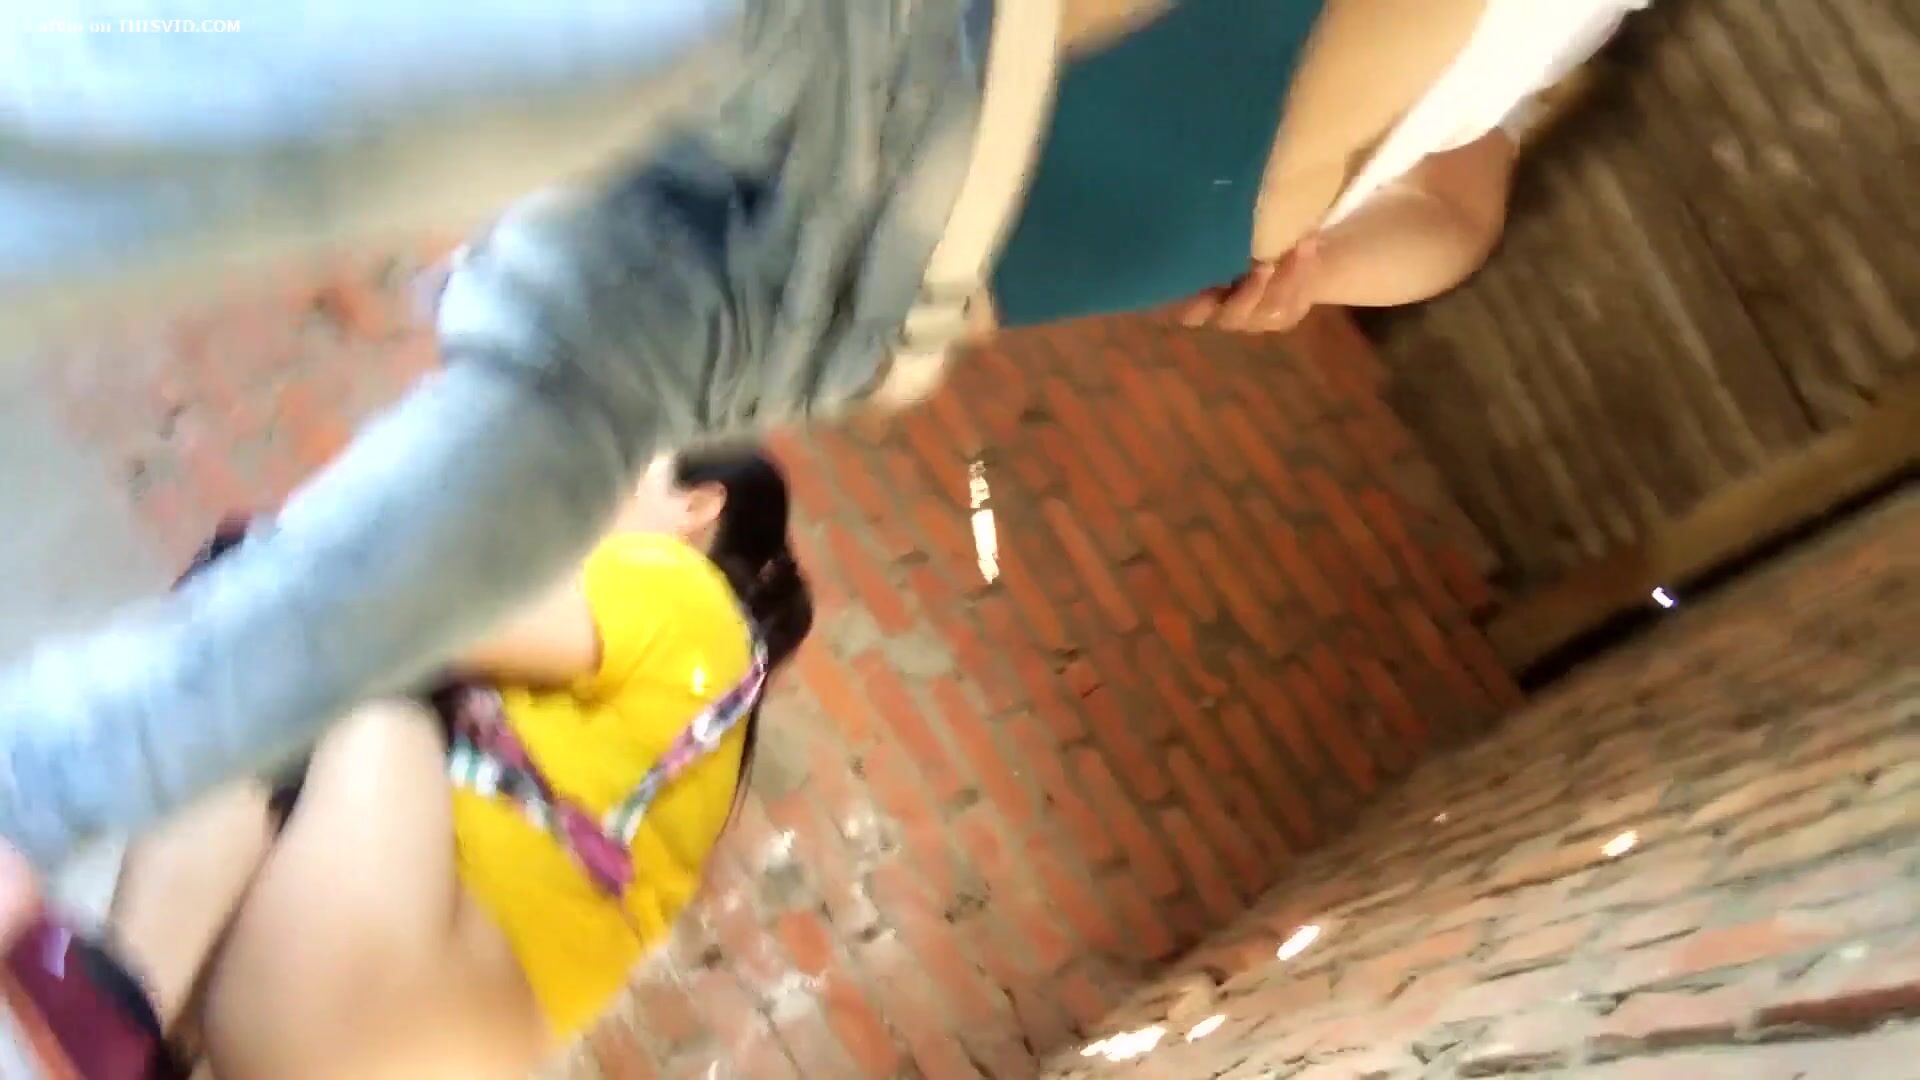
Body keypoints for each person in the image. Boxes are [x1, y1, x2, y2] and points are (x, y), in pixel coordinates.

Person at [0, 0, 1650, 880]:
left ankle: (65, 776)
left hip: (945, 232)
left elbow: (1471, 195)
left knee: (547, 399)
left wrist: (1334, 259)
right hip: (951, 105)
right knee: (455, 159)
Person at [74, 446, 807, 1078]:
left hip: (364, 992)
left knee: (343, 653)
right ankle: (128, 1028)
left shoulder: (683, 590)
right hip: (399, 1032)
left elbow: (416, 621)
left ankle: (113, 1015)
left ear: (697, 505)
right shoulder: (696, 718)